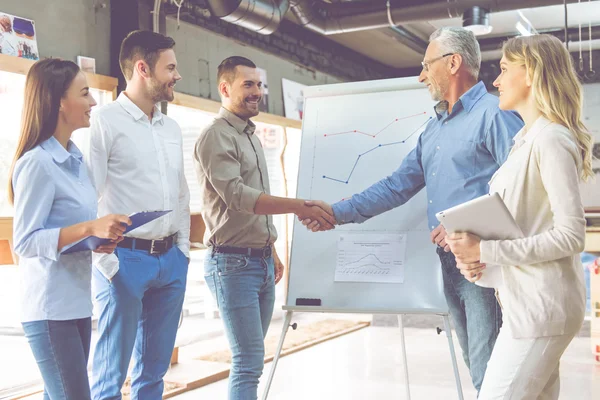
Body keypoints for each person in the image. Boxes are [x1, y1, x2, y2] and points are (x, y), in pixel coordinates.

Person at [301, 27, 524, 392]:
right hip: (450, 264)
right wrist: (335, 211)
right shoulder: (433, 130)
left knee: (491, 374)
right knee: (477, 367)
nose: (421, 76)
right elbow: (396, 186)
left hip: (487, 261)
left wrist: (465, 225)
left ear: (453, 63)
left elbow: (522, 189)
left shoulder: (494, 115)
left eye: (426, 65)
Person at [446, 34, 592, 399]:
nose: (495, 81)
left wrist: (487, 251)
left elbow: (572, 235)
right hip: (526, 305)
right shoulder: (525, 141)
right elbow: (523, 229)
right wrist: (480, 263)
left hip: (542, 310)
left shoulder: (551, 139)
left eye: (505, 69)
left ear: (532, 73)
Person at [194, 56, 335, 400]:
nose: (258, 92)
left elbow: (255, 206)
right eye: (248, 85)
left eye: (259, 85)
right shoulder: (215, 135)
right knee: (247, 362)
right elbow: (239, 197)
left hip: (258, 261)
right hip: (232, 264)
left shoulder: (252, 137)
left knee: (254, 361)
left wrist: (269, 248)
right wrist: (299, 206)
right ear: (225, 88)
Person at [9, 58, 130, 400]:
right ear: (60, 102)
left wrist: (94, 240)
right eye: (85, 93)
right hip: (49, 310)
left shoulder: (75, 160)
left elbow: (65, 232)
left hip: (78, 303)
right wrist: (90, 227)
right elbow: (26, 241)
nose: (94, 102)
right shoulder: (36, 163)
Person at [82, 30, 190, 399]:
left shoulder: (172, 127)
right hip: (122, 261)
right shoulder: (104, 120)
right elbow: (87, 196)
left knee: (154, 374)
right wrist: (107, 264)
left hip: (170, 260)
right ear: (143, 68)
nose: (177, 75)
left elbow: (181, 193)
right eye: (170, 67)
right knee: (109, 378)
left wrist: (183, 251)